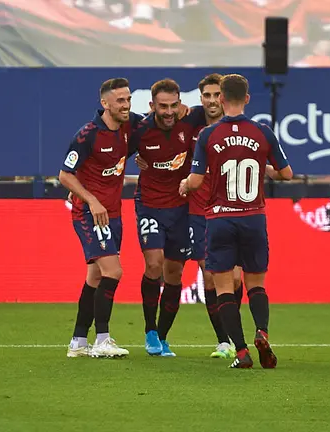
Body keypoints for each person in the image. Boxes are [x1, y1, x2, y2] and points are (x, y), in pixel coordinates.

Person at [179, 73, 293, 369]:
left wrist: (185, 185)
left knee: (223, 288)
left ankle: (241, 352)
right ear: (246, 98)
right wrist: (264, 169)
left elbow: (196, 179)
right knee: (256, 284)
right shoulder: (263, 132)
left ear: (221, 98)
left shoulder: (208, 135)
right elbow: (287, 174)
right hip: (253, 217)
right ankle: (262, 332)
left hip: (219, 219)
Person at [60, 77, 141, 359]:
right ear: (104, 103)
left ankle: (78, 342)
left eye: (129, 99)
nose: (126, 105)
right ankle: (103, 340)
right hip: (89, 214)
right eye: (120, 100)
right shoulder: (87, 135)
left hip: (114, 213)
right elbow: (65, 174)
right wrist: (90, 199)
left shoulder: (131, 127)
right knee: (113, 271)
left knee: (94, 277)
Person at [129, 78, 208, 356]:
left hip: (182, 208)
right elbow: (113, 155)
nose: (169, 111)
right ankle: (150, 330)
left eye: (174, 105)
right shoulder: (139, 129)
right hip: (149, 204)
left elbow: (216, 108)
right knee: (154, 264)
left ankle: (163, 337)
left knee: (174, 274)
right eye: (163, 106)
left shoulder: (192, 119)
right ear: (152, 106)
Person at [186, 73, 245, 360]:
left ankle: (237, 335)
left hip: (232, 212)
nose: (211, 101)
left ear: (224, 98)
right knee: (209, 277)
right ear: (201, 99)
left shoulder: (240, 130)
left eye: (215, 95)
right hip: (199, 214)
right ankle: (224, 341)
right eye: (205, 96)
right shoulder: (190, 125)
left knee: (234, 279)